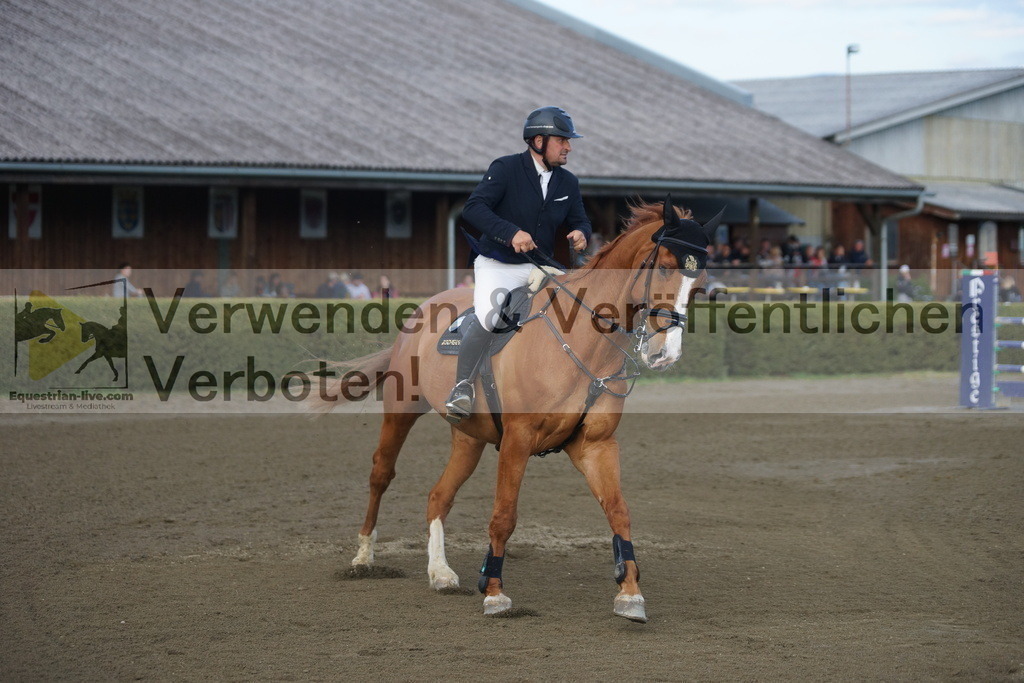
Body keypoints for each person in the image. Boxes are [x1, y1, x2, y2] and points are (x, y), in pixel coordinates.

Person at [444, 106, 591, 423]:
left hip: (541, 267)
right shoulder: (506, 168)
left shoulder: (568, 182)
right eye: (562, 140)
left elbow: (580, 219)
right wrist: (510, 233)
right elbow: (474, 209)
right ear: (539, 141)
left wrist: (582, 233)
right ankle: (462, 387)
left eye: (568, 141)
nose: (568, 147)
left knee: (575, 313)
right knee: (490, 317)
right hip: (499, 264)